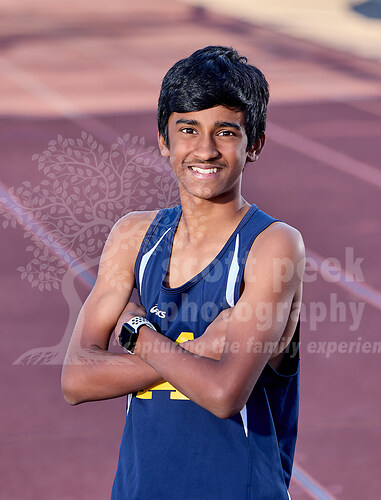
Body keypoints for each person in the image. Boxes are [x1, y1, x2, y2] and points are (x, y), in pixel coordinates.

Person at [62, 45, 305, 500]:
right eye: (188, 129)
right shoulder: (134, 236)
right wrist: (199, 350)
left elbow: (224, 394)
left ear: (254, 144)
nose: (205, 150)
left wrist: (137, 335)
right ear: (163, 140)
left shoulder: (272, 245)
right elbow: (76, 380)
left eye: (225, 132)